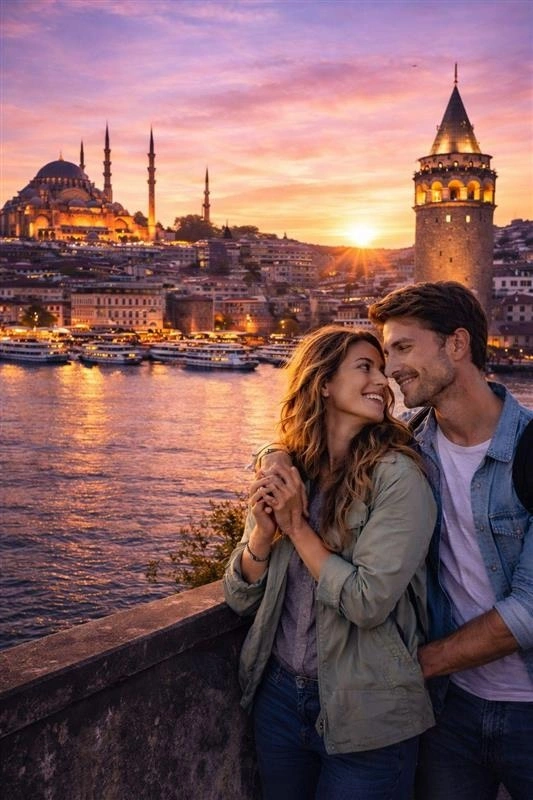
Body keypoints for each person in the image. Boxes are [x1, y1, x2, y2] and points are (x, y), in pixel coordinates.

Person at [223, 325, 437, 800]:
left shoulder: (399, 476)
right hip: (277, 699)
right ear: (322, 382)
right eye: (366, 367)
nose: (383, 381)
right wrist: (262, 533)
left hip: (367, 709)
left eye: (383, 370)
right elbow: (239, 597)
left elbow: (367, 602)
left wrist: (297, 528)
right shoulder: (289, 469)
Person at [367, 281, 533, 800]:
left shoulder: (530, 450)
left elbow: (530, 609)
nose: (390, 367)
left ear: (456, 345)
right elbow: (314, 435)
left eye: (402, 347)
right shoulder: (408, 448)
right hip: (450, 711)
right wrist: (272, 457)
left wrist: (414, 668)